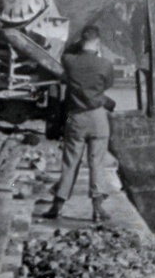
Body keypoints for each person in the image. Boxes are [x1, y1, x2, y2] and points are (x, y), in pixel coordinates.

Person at [44, 25, 117, 222]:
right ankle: (97, 207)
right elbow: (107, 85)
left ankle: (57, 205)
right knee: (97, 162)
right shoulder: (105, 65)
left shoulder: (70, 61)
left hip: (75, 117)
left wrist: (78, 45)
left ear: (81, 41)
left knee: (70, 162)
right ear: (98, 42)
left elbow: (66, 51)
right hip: (97, 117)